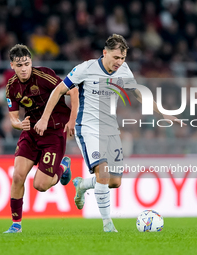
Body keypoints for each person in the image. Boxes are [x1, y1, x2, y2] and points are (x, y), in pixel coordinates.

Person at [34, 34, 183, 232]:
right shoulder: (86, 68)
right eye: (115, 58)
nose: (119, 62)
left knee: (114, 182)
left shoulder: (124, 70)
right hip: (87, 127)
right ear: (105, 53)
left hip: (110, 128)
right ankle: (108, 225)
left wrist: (163, 113)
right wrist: (44, 118)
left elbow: (139, 93)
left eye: (122, 58)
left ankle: (82, 186)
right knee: (103, 172)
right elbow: (58, 90)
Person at [4, 44, 79, 233]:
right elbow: (13, 118)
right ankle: (16, 225)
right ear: (12, 65)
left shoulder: (44, 76)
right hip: (31, 131)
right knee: (18, 176)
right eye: (19, 65)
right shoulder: (11, 87)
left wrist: (72, 120)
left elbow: (74, 91)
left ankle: (63, 167)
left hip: (54, 131)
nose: (23, 68)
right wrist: (19, 124)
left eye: (27, 64)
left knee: (40, 185)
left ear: (31, 63)